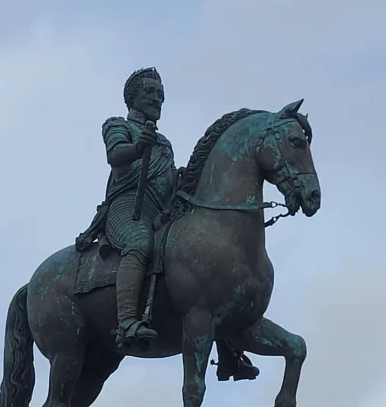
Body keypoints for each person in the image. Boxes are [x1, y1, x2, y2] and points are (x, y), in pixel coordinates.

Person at [76, 67, 259, 379]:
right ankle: (127, 321)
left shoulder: (163, 143)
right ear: (132, 97)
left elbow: (169, 182)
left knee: (206, 261)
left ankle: (229, 351)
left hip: (161, 212)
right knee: (139, 243)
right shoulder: (118, 126)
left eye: (160, 94)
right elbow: (115, 155)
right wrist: (137, 148)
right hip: (128, 209)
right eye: (150, 92)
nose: (157, 98)